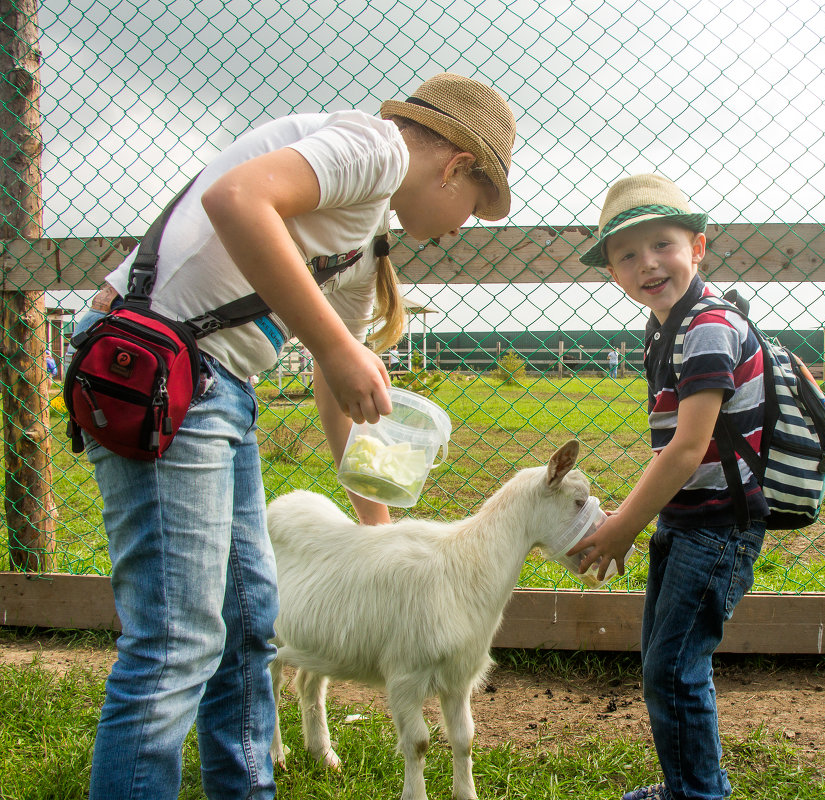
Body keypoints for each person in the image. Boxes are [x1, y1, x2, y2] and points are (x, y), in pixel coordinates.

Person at [74, 73, 516, 800]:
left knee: (251, 623)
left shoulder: (362, 241)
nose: (463, 224)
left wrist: (376, 522)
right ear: (454, 165)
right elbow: (237, 199)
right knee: (176, 640)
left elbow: (333, 384)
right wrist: (341, 351)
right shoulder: (374, 148)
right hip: (159, 374)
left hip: (220, 391)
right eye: (475, 204)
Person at [571, 174, 767, 800]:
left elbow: (687, 448)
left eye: (663, 244)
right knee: (670, 659)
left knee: (671, 666)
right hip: (686, 520)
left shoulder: (708, 325)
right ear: (612, 271)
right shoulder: (668, 326)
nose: (647, 262)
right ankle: (692, 785)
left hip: (717, 525)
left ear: (698, 247)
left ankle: (697, 795)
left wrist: (622, 524)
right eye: (627, 254)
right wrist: (648, 519)